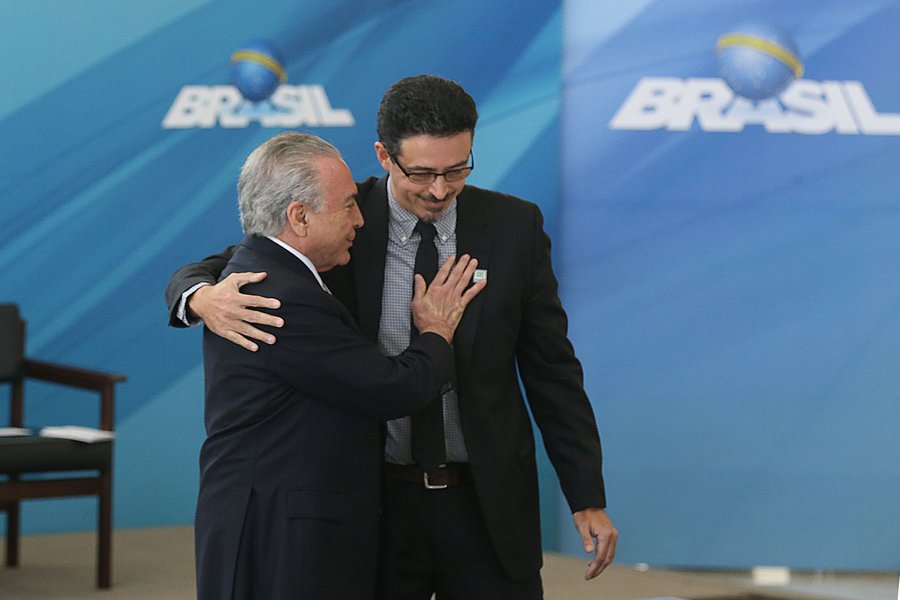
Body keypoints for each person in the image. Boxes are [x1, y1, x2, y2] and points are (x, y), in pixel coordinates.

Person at [167, 75, 617, 599]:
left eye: (458, 169)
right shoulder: (340, 215)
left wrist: (586, 494)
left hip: (486, 507)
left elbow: (552, 371)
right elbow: (240, 259)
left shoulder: (514, 226)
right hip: (376, 508)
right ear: (384, 155)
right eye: (422, 173)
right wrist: (196, 296)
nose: (439, 190)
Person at [193, 131, 485, 600]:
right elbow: (394, 389)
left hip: (274, 520)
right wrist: (436, 331)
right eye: (348, 205)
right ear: (300, 217)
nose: (361, 218)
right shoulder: (284, 297)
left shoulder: (263, 271)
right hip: (284, 533)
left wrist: (195, 295)